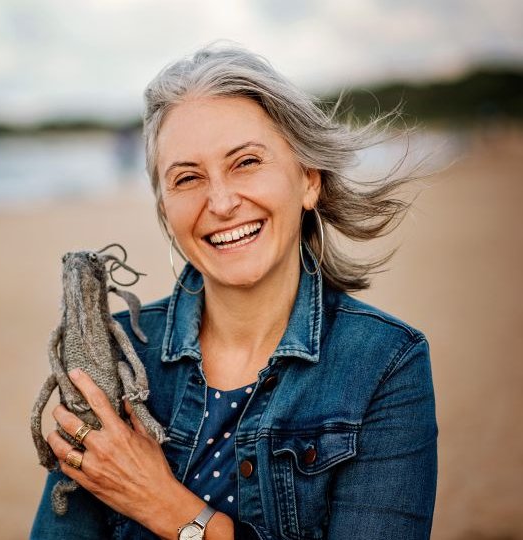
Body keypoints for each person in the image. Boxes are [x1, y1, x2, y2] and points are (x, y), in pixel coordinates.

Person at [30, 43, 438, 540]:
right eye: (187, 177)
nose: (221, 202)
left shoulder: (384, 363)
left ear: (309, 180)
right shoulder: (118, 350)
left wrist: (167, 508)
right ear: (165, 212)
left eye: (245, 162)